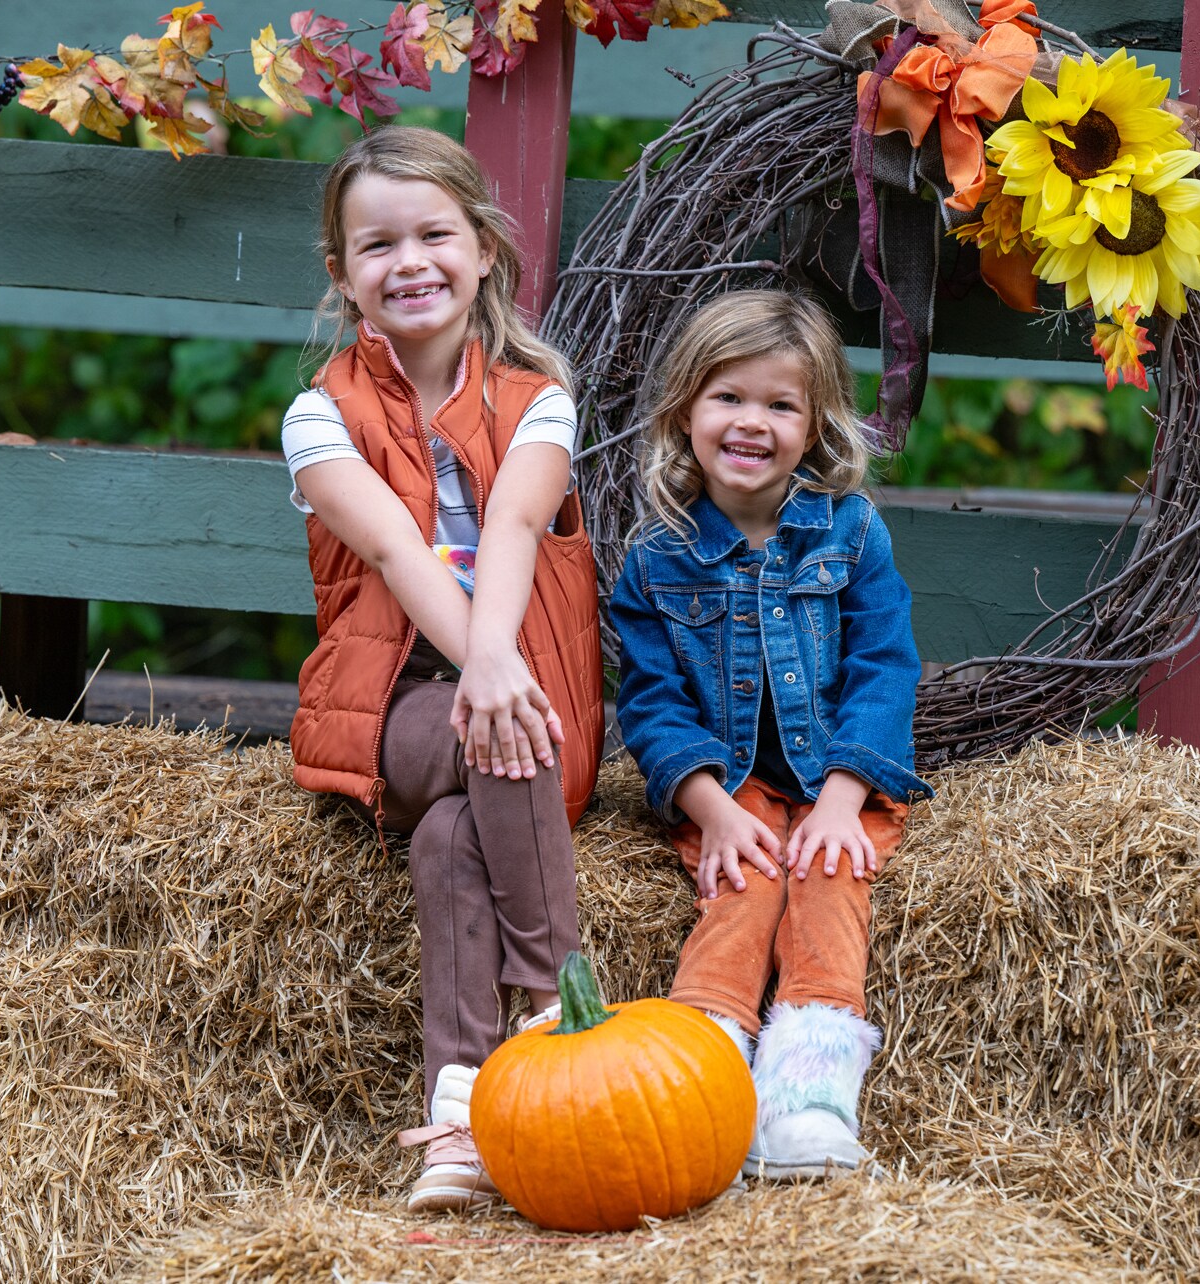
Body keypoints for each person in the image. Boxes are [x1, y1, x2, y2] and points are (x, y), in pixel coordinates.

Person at [284, 126, 602, 1213]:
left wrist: (500, 667)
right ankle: (565, 1000)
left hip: (522, 683)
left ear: (482, 252)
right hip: (397, 703)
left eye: (433, 234)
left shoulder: (540, 397)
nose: (408, 261)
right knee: (484, 734)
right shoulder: (319, 415)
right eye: (377, 245)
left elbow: (512, 526)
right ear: (344, 275)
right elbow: (394, 551)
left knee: (453, 833)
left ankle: (460, 1123)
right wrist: (485, 674)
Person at [609, 289, 931, 1180]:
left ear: (816, 425)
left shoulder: (852, 534)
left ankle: (808, 1094)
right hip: (732, 781)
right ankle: (703, 1071)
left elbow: (883, 668)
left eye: (781, 405)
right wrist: (709, 809)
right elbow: (653, 703)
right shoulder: (656, 559)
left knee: (829, 878)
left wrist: (842, 798)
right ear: (684, 412)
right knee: (743, 887)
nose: (753, 423)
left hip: (840, 776)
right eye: (729, 398)